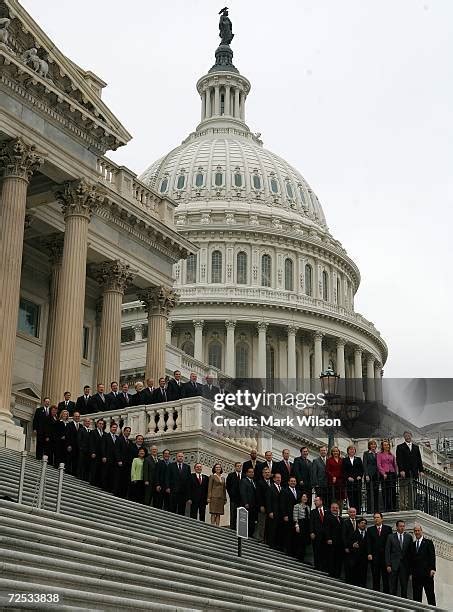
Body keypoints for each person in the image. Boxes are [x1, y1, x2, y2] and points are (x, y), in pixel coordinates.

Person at [396, 431, 424, 511]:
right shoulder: (400, 447)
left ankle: (411, 506)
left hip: (414, 472)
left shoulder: (416, 447)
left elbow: (419, 459)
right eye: (406, 436)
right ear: (404, 437)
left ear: (411, 436)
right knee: (403, 490)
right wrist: (401, 470)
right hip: (405, 472)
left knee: (413, 490)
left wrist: (421, 470)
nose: (407, 437)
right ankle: (403, 506)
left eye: (409, 435)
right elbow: (399, 460)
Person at [410, 524, 436, 606]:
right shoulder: (412, 545)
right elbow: (410, 560)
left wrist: (432, 569)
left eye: (418, 530)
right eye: (415, 531)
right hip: (416, 575)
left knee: (430, 594)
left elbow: (432, 556)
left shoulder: (428, 542)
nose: (417, 532)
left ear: (421, 531)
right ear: (414, 532)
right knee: (416, 596)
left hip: (427, 573)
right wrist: (411, 573)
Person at [385, 519, 412, 598]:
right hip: (393, 565)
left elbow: (410, 554)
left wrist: (410, 568)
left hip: (405, 566)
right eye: (400, 526)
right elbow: (387, 551)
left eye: (403, 526)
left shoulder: (408, 537)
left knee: (404, 586)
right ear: (397, 527)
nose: (402, 528)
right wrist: (388, 565)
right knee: (393, 586)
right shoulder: (390, 537)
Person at [367, 511, 392, 593]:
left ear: (382, 519)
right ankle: (376, 593)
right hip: (375, 557)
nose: (376, 519)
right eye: (374, 518)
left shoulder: (388, 529)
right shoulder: (370, 530)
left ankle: (386, 594)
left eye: (377, 517)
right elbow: (369, 543)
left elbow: (390, 543)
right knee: (375, 576)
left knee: (386, 577)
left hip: (385, 557)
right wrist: (369, 553)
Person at [281, 476, 301, 556]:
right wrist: (285, 515)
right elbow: (282, 504)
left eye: (294, 481)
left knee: (294, 534)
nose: (293, 482)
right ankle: (287, 550)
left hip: (296, 516)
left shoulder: (298, 492)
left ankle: (293, 551)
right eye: (291, 481)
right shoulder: (285, 491)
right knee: (288, 533)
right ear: (288, 482)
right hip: (288, 515)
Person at [310, 495, 329, 572]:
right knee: (317, 550)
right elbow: (311, 523)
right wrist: (311, 532)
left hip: (325, 535)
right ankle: (317, 566)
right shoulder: (313, 512)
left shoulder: (327, 510)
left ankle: (325, 567)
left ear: (321, 501)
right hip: (317, 534)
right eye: (314, 501)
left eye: (316, 500)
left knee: (325, 551)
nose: (315, 502)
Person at [377, 439, 397, 512]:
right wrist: (383, 473)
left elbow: (394, 465)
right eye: (385, 445)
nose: (386, 446)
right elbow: (379, 465)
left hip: (392, 473)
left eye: (387, 445)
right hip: (384, 474)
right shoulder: (379, 454)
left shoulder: (392, 455)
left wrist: (396, 473)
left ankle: (393, 507)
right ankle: (387, 507)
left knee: (393, 490)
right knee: (385, 491)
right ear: (382, 446)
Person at [342, 445, 363, 513]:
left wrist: (360, 476)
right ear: (348, 451)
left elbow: (361, 469)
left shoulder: (358, 459)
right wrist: (348, 477)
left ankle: (359, 512)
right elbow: (343, 471)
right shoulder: (345, 460)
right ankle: (352, 512)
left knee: (358, 498)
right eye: (350, 449)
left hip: (357, 482)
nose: (352, 451)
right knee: (351, 498)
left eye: (353, 449)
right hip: (349, 483)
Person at [325, 501, 344, 578]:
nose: (335, 509)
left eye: (336, 508)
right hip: (332, 542)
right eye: (333, 508)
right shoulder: (328, 517)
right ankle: (332, 575)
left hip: (340, 543)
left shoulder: (341, 519)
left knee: (339, 559)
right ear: (330, 508)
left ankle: (338, 575)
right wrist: (328, 538)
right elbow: (326, 529)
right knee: (332, 559)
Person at [266, 472, 283, 550]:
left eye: (279, 478)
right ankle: (270, 544)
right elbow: (268, 500)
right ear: (274, 479)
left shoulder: (282, 488)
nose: (278, 479)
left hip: (279, 513)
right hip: (273, 511)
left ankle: (276, 544)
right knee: (272, 528)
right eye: (277, 478)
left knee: (278, 528)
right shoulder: (270, 487)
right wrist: (270, 511)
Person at [101, 422, 120, 493]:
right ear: (110, 428)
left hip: (114, 460)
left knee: (112, 474)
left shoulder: (117, 438)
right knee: (105, 473)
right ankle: (104, 487)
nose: (114, 429)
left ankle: (110, 488)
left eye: (115, 428)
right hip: (107, 458)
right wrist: (103, 456)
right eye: (113, 427)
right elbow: (103, 446)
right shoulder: (105, 436)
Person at [342, 506, 359, 584]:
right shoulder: (345, 522)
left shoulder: (359, 522)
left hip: (357, 548)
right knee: (349, 566)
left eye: (354, 512)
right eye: (351, 512)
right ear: (348, 513)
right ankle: (349, 582)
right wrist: (346, 546)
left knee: (356, 566)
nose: (352, 514)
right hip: (349, 548)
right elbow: (344, 536)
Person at [255, 466, 271, 542]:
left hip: (270, 507)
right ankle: (260, 538)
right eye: (265, 473)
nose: (267, 474)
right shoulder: (260, 482)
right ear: (263, 474)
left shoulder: (272, 482)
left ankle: (267, 539)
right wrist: (261, 505)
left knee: (268, 523)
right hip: (263, 506)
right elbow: (258, 495)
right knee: (262, 522)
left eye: (268, 472)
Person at [240, 466, 258, 537]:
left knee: (252, 520)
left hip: (253, 505)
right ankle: (246, 534)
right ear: (247, 473)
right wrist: (245, 503)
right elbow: (243, 492)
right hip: (247, 505)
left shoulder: (254, 482)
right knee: (246, 520)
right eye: (250, 472)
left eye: (252, 472)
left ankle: (250, 534)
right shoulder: (244, 481)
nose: (251, 473)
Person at [363, 439, 379, 513]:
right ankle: (369, 510)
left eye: (374, 444)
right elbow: (365, 464)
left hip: (376, 474)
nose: (373, 446)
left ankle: (376, 509)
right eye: (371, 444)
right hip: (369, 475)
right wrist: (366, 474)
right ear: (369, 446)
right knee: (369, 492)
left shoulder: (377, 453)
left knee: (376, 492)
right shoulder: (366, 453)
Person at [293, 492, 310, 562]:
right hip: (300, 524)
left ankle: (303, 558)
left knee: (304, 542)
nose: (305, 498)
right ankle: (298, 558)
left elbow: (309, 517)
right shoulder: (297, 506)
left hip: (306, 525)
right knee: (299, 541)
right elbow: (295, 516)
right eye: (303, 496)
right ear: (301, 498)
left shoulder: (308, 507)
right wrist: (297, 525)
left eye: (306, 497)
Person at [116, 426, 133, 498]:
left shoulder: (130, 442)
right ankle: (118, 493)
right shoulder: (119, 439)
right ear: (124, 431)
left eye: (129, 431)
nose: (128, 432)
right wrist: (119, 460)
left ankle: (123, 495)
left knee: (125, 480)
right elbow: (117, 451)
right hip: (121, 463)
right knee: (119, 479)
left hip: (127, 464)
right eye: (127, 431)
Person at [226, 461, 242, 529]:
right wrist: (231, 494)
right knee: (233, 513)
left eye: (240, 466)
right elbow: (228, 486)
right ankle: (232, 527)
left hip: (241, 499)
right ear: (235, 467)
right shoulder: (231, 475)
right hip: (233, 498)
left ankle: (239, 528)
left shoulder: (244, 475)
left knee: (240, 514)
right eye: (237, 466)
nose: (239, 467)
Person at [89, 418, 105, 487]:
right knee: (94, 468)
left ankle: (97, 483)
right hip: (95, 453)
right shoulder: (93, 432)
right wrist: (92, 452)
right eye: (100, 424)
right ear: (97, 424)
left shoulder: (105, 433)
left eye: (102, 424)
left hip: (101, 455)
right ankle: (92, 482)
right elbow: (91, 443)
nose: (101, 425)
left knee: (100, 469)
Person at [77, 417, 92, 481]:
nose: (88, 422)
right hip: (82, 450)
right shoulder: (81, 429)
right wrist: (81, 448)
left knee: (86, 464)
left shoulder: (91, 431)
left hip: (88, 451)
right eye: (86, 421)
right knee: (81, 463)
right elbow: (79, 439)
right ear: (84, 422)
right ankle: (79, 476)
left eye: (89, 421)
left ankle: (85, 477)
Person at [66, 410, 80, 476]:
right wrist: (68, 445)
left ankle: (74, 473)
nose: (77, 417)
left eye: (78, 416)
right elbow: (67, 436)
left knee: (75, 460)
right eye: (76, 416)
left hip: (77, 447)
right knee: (69, 459)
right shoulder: (69, 425)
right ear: (73, 417)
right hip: (71, 446)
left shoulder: (81, 426)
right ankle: (68, 471)